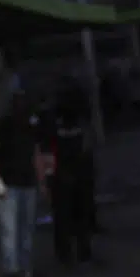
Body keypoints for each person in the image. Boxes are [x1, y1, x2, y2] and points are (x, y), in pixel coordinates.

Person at [0, 89, 48, 277]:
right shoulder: (3, 124)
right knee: (10, 230)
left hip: (27, 182)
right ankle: (12, 270)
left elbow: (36, 154)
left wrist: (41, 181)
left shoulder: (30, 126)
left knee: (26, 228)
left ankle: (25, 268)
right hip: (9, 184)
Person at [45, 84, 96, 267]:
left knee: (75, 216)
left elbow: (85, 148)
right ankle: (70, 254)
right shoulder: (56, 123)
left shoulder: (76, 122)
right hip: (64, 176)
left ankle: (79, 253)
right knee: (67, 217)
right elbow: (49, 151)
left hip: (73, 174)